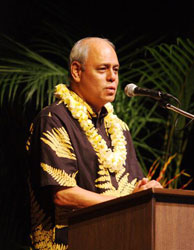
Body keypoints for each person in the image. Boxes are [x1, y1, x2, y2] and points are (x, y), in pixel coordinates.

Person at [26, 37, 162, 250]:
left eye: (116, 70)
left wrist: (148, 190)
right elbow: (64, 194)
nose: (112, 78)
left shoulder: (120, 128)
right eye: (103, 69)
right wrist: (127, 203)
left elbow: (132, 189)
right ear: (76, 71)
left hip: (117, 240)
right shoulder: (53, 119)